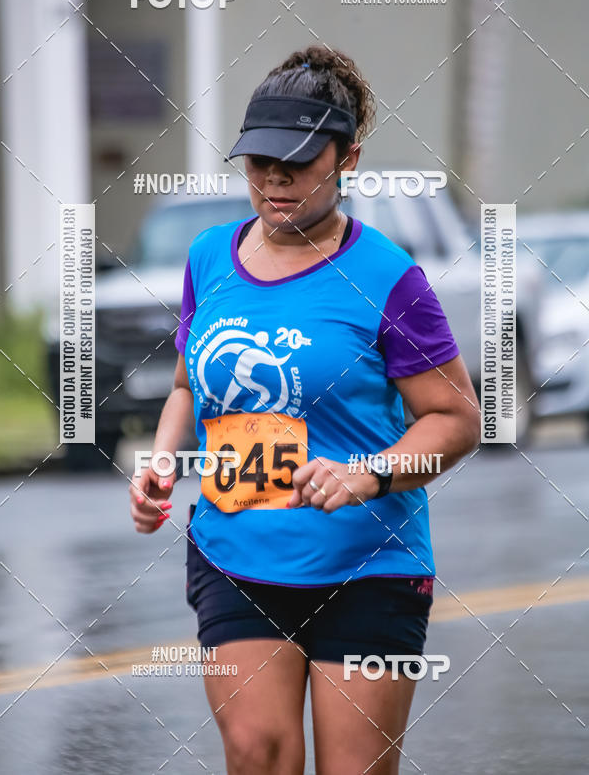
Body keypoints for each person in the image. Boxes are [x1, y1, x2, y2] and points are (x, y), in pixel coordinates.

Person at [130, 45, 481, 774]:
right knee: (257, 753)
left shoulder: (387, 276)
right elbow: (188, 387)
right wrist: (162, 460)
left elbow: (456, 418)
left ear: (346, 157)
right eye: (259, 162)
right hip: (237, 554)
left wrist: (367, 475)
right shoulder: (209, 258)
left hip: (368, 562)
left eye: (297, 160)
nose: (275, 179)